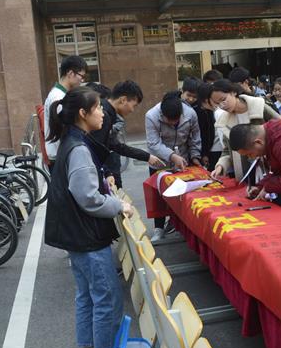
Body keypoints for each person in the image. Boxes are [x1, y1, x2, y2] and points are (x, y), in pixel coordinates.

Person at [44, 86, 132, 348]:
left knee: (87, 295)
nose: (102, 113)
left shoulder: (71, 141)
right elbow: (89, 198)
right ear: (83, 113)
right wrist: (118, 205)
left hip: (75, 234)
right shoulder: (79, 149)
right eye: (97, 108)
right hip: (87, 236)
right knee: (107, 297)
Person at [145, 91, 202, 242]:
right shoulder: (151, 116)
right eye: (168, 121)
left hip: (183, 159)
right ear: (162, 115)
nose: (172, 124)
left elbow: (195, 136)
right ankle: (158, 228)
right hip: (159, 161)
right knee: (158, 195)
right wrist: (171, 156)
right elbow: (153, 143)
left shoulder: (190, 114)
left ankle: (178, 226)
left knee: (182, 193)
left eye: (176, 121)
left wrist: (195, 155)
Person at [89, 80, 164, 187]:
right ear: (123, 100)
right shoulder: (104, 116)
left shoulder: (108, 113)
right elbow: (94, 151)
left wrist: (147, 157)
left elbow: (115, 145)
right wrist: (107, 173)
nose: (132, 110)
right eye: (134, 105)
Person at [209, 79, 281, 181]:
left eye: (223, 99)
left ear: (233, 92)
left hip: (269, 166)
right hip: (244, 172)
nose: (222, 105)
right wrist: (221, 166)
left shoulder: (258, 105)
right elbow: (228, 150)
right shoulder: (224, 121)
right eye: (218, 103)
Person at [44, 55, 87, 170]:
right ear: (70, 73)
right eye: (81, 76)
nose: (82, 80)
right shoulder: (58, 97)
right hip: (61, 157)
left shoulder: (59, 94)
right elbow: (65, 130)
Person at [195, 82, 224, 171]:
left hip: (218, 149)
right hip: (206, 151)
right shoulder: (196, 112)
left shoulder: (215, 111)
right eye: (214, 99)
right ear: (206, 100)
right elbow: (201, 135)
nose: (217, 102)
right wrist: (204, 153)